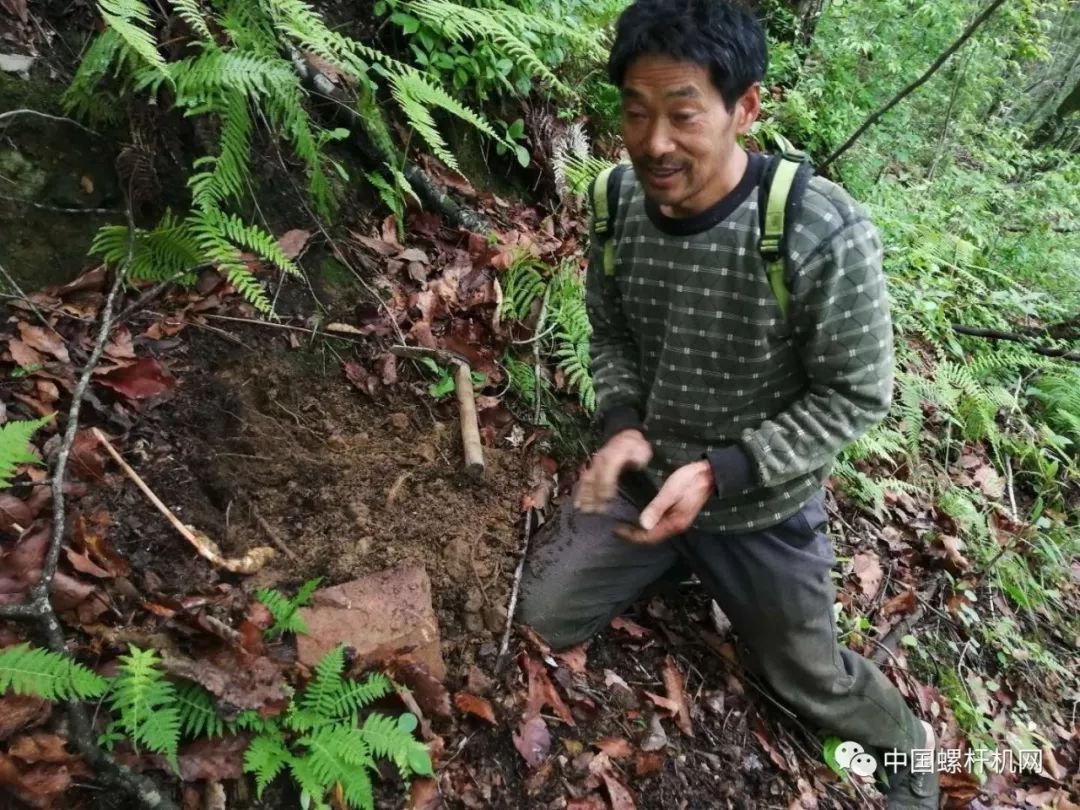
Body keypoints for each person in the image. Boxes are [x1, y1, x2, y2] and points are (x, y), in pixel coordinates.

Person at [517, 1, 939, 807]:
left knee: (810, 681)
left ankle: (909, 762)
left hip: (760, 510)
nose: (654, 143)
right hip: (647, 483)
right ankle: (673, 561)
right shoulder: (615, 203)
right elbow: (609, 333)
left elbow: (856, 390)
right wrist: (621, 423)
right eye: (635, 113)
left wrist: (727, 470)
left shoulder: (818, 229)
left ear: (746, 107)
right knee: (540, 619)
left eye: (682, 114)